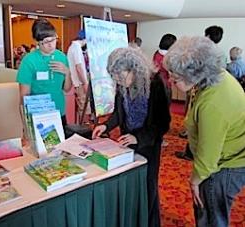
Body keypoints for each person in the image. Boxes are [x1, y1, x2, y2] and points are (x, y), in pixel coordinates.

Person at [164, 36, 245, 227]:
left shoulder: (213, 103)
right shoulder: (218, 77)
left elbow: (208, 159)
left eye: (175, 77)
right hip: (229, 158)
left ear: (194, 73)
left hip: (224, 166)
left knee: (210, 216)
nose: (170, 81)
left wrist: (194, 181)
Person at [92, 47, 171, 227]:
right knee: (131, 185)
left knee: (148, 186)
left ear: (134, 69)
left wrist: (139, 138)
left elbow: (162, 123)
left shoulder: (157, 84)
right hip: (127, 141)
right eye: (115, 78)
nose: (118, 81)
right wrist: (106, 125)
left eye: (121, 76)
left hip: (149, 145)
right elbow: (120, 113)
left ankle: (150, 222)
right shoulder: (122, 85)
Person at [176, 25, 226, 160]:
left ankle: (191, 152)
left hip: (201, 90)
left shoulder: (203, 52)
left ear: (208, 36)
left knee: (195, 120)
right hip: (213, 93)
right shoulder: (222, 53)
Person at [16, 19, 72, 127]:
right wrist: (26, 125)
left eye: (53, 40)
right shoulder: (29, 61)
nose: (51, 45)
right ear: (37, 42)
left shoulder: (62, 57)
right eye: (46, 42)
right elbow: (24, 96)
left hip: (59, 112)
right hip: (38, 116)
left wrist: (67, 72)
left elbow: (67, 89)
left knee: (62, 143)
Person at [67, 30, 90, 124]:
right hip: (80, 83)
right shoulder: (76, 47)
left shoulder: (74, 47)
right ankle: (85, 128)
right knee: (84, 107)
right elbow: (79, 67)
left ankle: (84, 127)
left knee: (83, 107)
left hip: (78, 82)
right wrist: (85, 82)